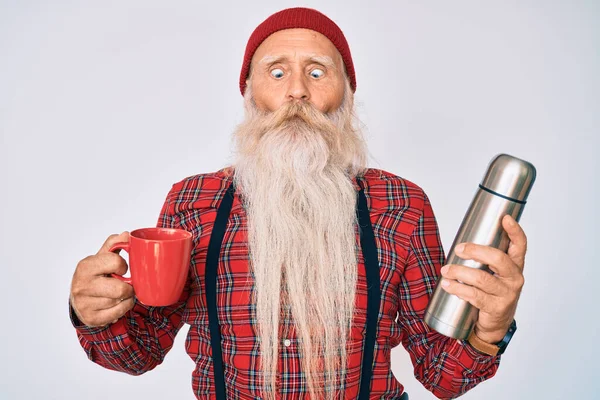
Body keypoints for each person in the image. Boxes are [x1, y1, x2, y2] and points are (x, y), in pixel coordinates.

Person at [69, 7, 528, 400]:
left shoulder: (402, 205)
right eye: (276, 72)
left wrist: (489, 329)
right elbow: (138, 354)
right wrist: (91, 314)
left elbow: (442, 374)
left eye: (316, 71)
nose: (296, 92)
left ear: (347, 97)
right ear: (249, 94)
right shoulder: (193, 202)